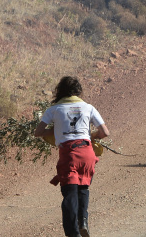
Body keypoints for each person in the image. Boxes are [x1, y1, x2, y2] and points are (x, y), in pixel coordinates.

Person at [34, 76, 110, 237]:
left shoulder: (53, 110)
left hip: (69, 155)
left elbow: (38, 132)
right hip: (87, 153)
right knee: (83, 188)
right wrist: (91, 135)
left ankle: (73, 233)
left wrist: (57, 131)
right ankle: (83, 221)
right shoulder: (88, 107)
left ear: (60, 91)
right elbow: (105, 132)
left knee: (70, 194)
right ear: (78, 92)